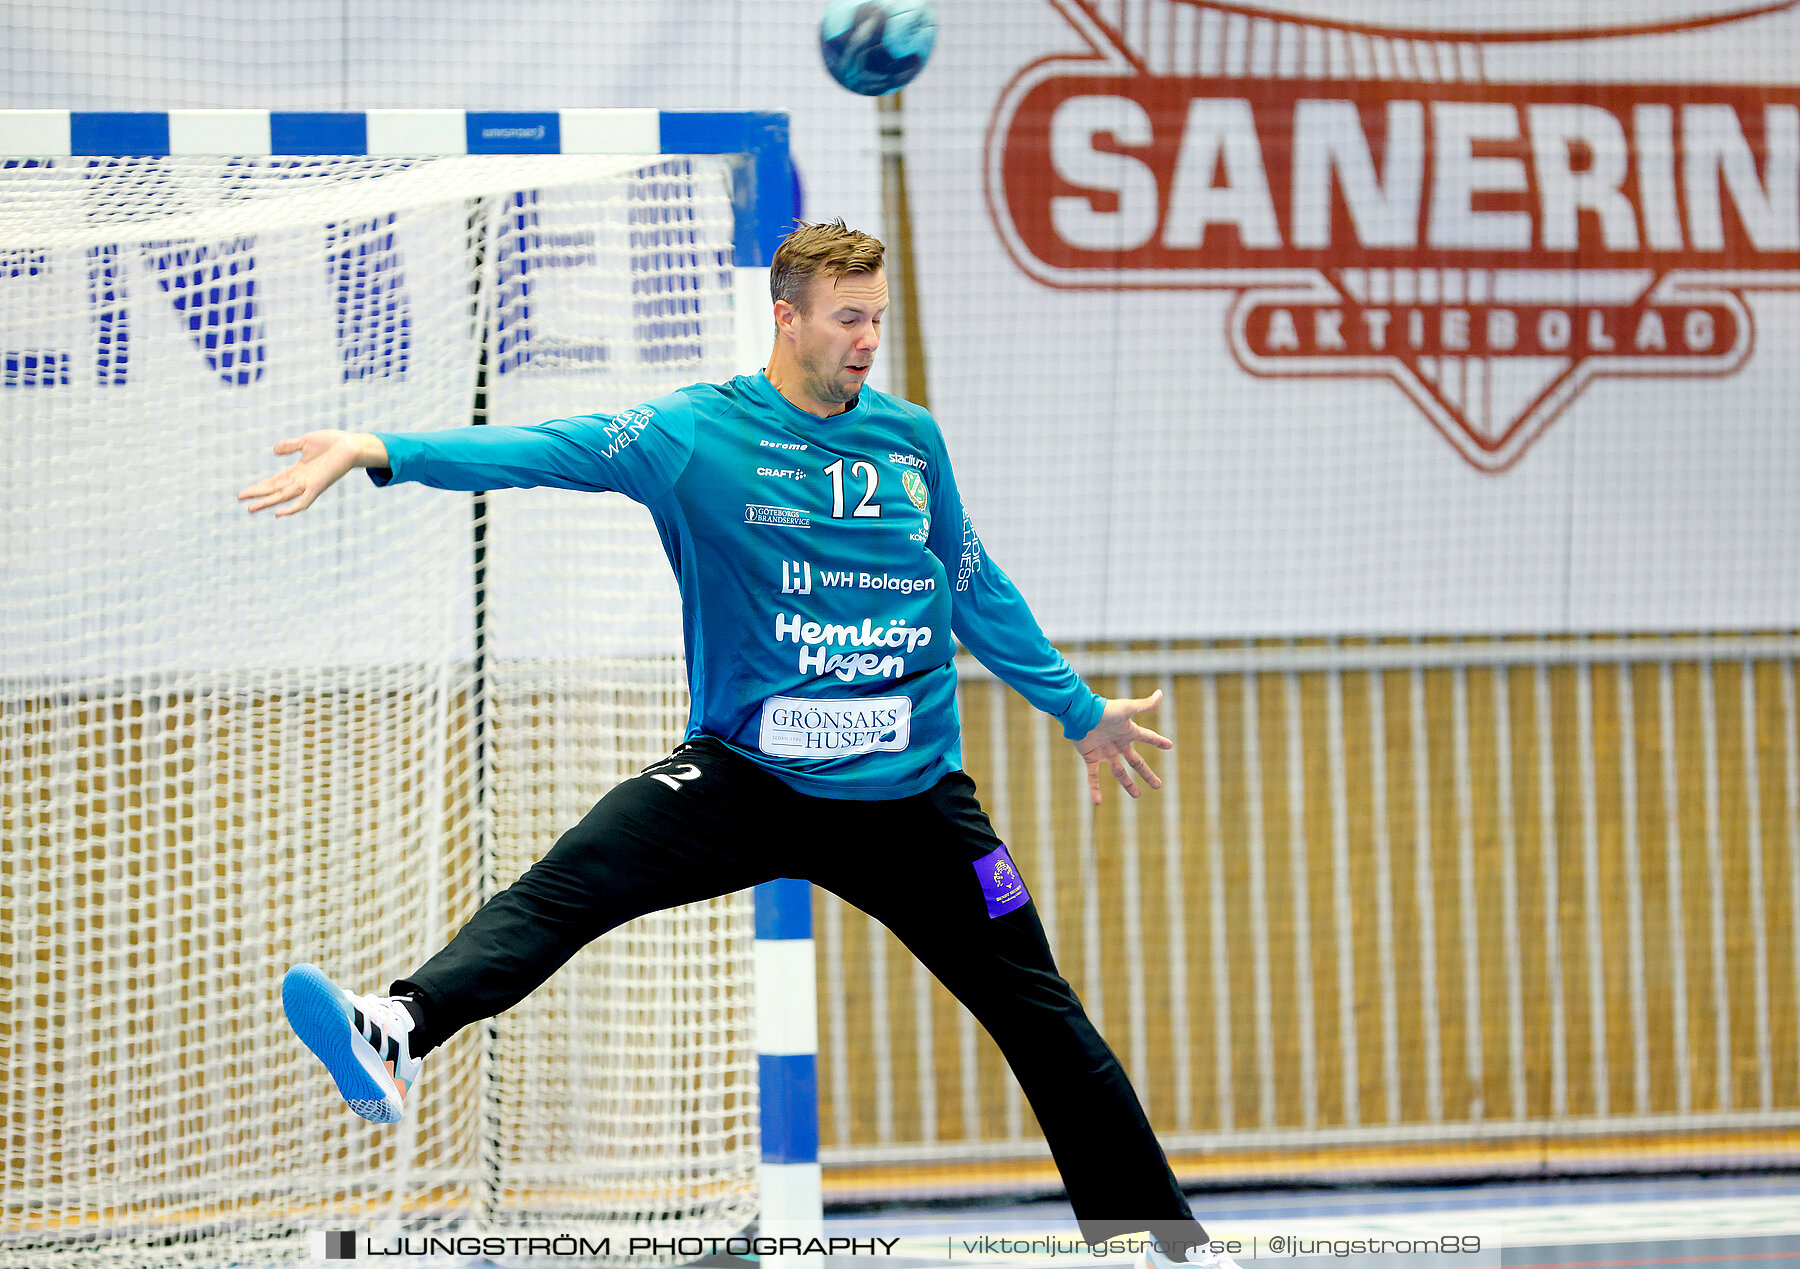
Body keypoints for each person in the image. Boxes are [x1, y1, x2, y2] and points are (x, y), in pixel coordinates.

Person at [240, 219, 1237, 1269]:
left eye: (878, 320)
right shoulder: (694, 435)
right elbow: (544, 452)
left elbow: (973, 584)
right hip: (746, 776)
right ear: (788, 315)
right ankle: (397, 1024)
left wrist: (1079, 711)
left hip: (914, 801)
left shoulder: (911, 441)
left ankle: (1155, 1246)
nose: (866, 340)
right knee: (570, 881)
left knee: (1042, 1014)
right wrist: (380, 451)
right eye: (848, 319)